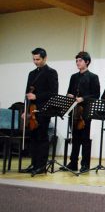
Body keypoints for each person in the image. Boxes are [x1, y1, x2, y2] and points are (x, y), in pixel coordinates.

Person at [22, 47, 58, 175]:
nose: (35, 61)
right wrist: (25, 110)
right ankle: (34, 164)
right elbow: (27, 93)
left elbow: (53, 93)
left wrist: (37, 96)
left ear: (45, 58)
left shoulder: (51, 72)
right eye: (34, 59)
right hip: (32, 111)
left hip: (44, 110)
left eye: (38, 59)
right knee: (33, 138)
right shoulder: (31, 74)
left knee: (42, 137)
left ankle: (41, 166)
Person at [64, 52, 100, 173]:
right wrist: (69, 95)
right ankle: (73, 163)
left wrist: (83, 98)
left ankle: (85, 164)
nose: (78, 63)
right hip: (74, 111)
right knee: (75, 138)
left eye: (80, 60)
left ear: (87, 62)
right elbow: (69, 91)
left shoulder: (93, 77)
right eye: (77, 61)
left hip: (85, 111)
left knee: (85, 139)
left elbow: (96, 95)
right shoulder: (74, 77)